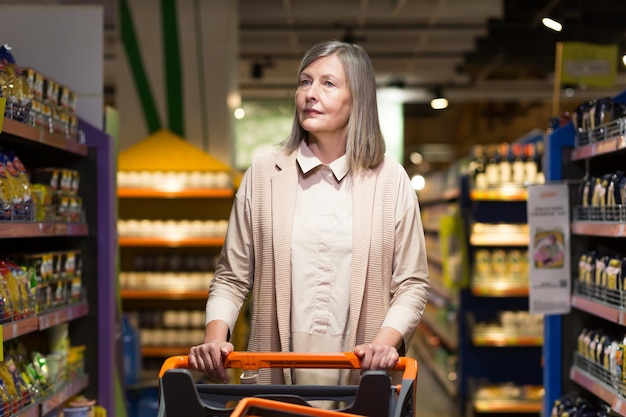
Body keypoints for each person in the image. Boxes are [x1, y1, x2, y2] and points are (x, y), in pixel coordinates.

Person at [188, 40, 430, 387]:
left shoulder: (391, 180)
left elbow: (411, 283)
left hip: (362, 381)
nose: (310, 94)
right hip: (273, 381)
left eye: (328, 83)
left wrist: (384, 343)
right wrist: (215, 337)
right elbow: (231, 277)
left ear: (357, 98)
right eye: (305, 81)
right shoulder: (263, 175)